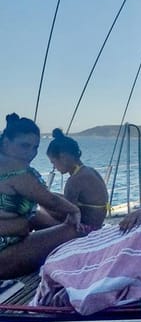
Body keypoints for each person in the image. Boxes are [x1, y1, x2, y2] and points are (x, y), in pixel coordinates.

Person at [0, 113, 82, 279]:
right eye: (24, 146)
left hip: (8, 241)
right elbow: (50, 200)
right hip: (3, 256)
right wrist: (74, 210)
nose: (31, 153)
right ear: (6, 143)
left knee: (37, 216)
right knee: (75, 231)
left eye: (35, 147)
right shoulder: (17, 171)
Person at [43, 128, 110, 233]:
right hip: (98, 224)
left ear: (63, 157)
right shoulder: (89, 171)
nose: (54, 167)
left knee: (37, 215)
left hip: (87, 229)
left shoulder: (74, 181)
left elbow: (67, 214)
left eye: (53, 162)